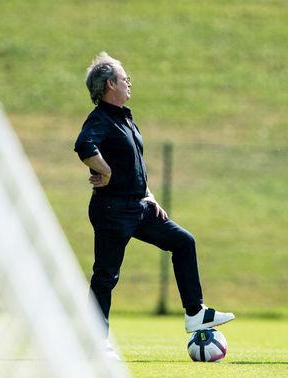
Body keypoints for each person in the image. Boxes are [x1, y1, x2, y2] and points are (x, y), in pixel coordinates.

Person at [74, 52, 235, 356]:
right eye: (125, 78)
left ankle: (195, 313)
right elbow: (84, 146)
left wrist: (148, 193)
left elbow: (133, 163)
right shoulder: (100, 119)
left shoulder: (125, 118)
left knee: (184, 242)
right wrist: (104, 171)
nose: (129, 82)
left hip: (140, 207)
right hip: (112, 210)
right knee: (106, 274)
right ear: (110, 84)